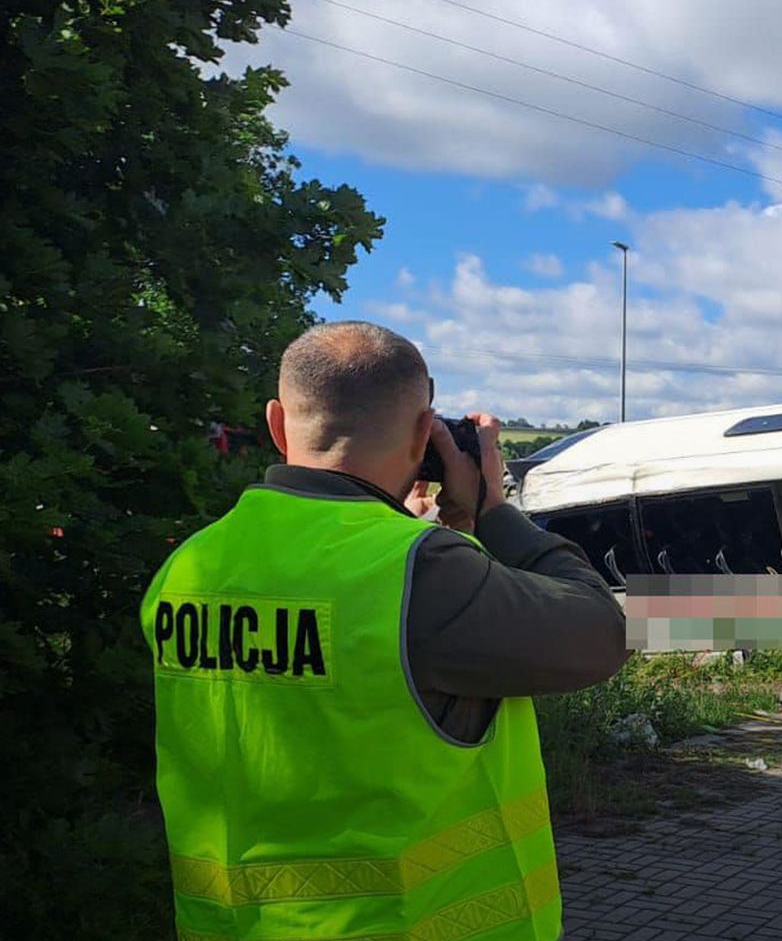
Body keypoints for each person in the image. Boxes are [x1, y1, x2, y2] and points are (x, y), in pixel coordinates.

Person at [141, 321, 627, 941]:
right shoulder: (417, 572)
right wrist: (493, 512)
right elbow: (599, 632)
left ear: (276, 422)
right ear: (425, 432)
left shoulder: (190, 565)